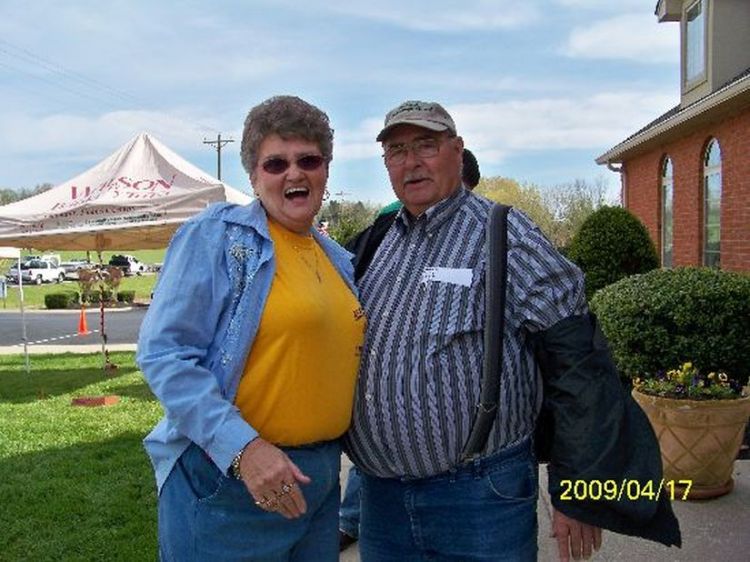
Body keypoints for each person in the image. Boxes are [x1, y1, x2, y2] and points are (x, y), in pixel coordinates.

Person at [344, 100, 681, 561]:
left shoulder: (507, 234)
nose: (412, 162)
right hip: (381, 504)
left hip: (481, 501)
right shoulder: (376, 241)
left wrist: (578, 491)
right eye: (397, 151)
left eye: (426, 145)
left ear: (457, 151)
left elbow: (578, 364)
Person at [137, 95, 366, 561]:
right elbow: (165, 355)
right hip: (232, 481)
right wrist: (243, 449)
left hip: (319, 481)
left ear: (326, 169)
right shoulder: (217, 236)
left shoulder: (338, 259)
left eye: (308, 160)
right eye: (275, 163)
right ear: (254, 176)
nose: (294, 174)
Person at [339, 146, 482, 551]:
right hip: (380, 470)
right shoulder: (388, 226)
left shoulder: (489, 232)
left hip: (467, 476)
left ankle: (349, 518)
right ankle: (349, 518)